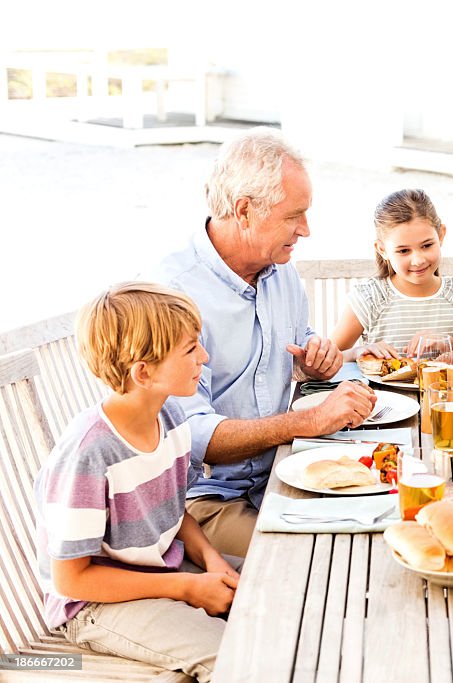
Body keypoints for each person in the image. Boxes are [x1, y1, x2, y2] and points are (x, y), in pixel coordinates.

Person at [152, 128, 377, 557]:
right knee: (324, 559)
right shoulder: (172, 294)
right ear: (244, 210)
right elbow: (190, 435)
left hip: (280, 472)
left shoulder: (279, 269)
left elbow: (293, 343)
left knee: (380, 517)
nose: (306, 229)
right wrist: (304, 424)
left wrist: (314, 356)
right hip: (204, 503)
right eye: (295, 215)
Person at [34, 283, 243, 682]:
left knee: (286, 593)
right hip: (96, 605)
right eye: (190, 349)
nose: (205, 356)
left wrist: (211, 559)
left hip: (167, 568)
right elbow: (70, 579)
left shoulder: (172, 416)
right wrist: (187, 588)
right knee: (238, 658)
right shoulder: (89, 455)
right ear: (143, 372)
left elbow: (172, 510)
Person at [329, 188, 453, 358]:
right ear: (382, 249)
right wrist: (358, 352)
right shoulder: (370, 299)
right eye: (403, 251)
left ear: (441, 235)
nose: (418, 260)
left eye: (426, 245)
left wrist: (447, 344)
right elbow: (330, 360)